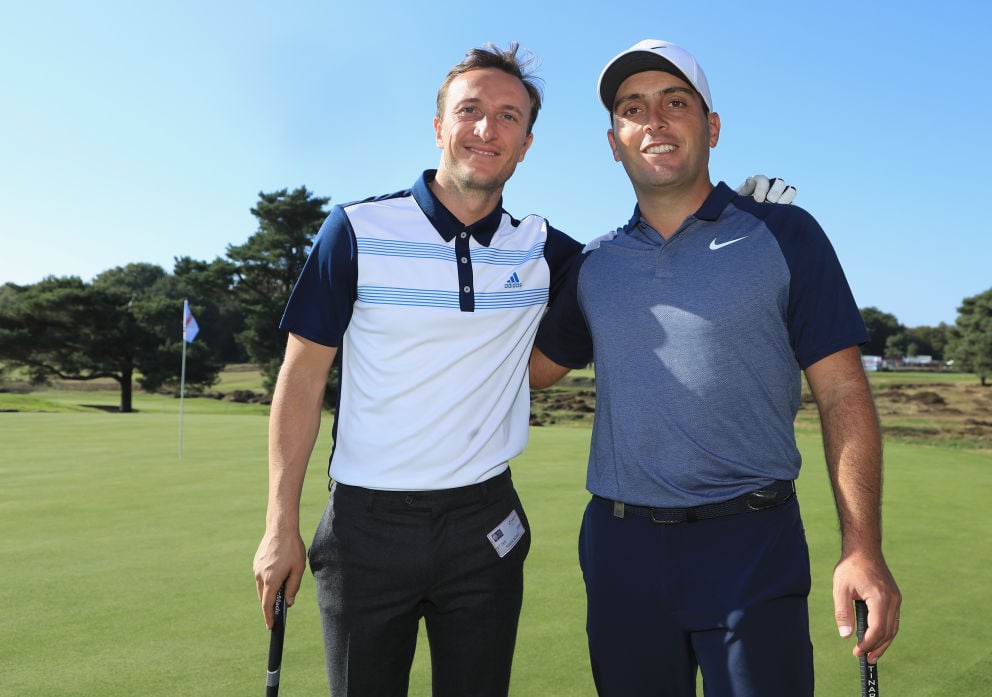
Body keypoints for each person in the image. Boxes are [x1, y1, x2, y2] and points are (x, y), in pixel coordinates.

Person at [252, 41, 792, 697]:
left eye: (509, 116)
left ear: (528, 142)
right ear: (439, 126)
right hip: (367, 528)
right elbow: (302, 378)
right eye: (471, 110)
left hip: (485, 527)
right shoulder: (357, 230)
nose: (487, 129)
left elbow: (648, 263)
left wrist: (734, 220)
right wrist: (280, 524)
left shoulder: (542, 248)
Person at [530, 39, 901, 696]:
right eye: (632, 109)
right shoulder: (593, 265)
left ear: (712, 126)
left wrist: (862, 545)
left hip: (752, 542)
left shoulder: (786, 235)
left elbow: (843, 390)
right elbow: (530, 371)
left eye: (676, 103)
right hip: (621, 550)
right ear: (614, 141)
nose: (655, 122)